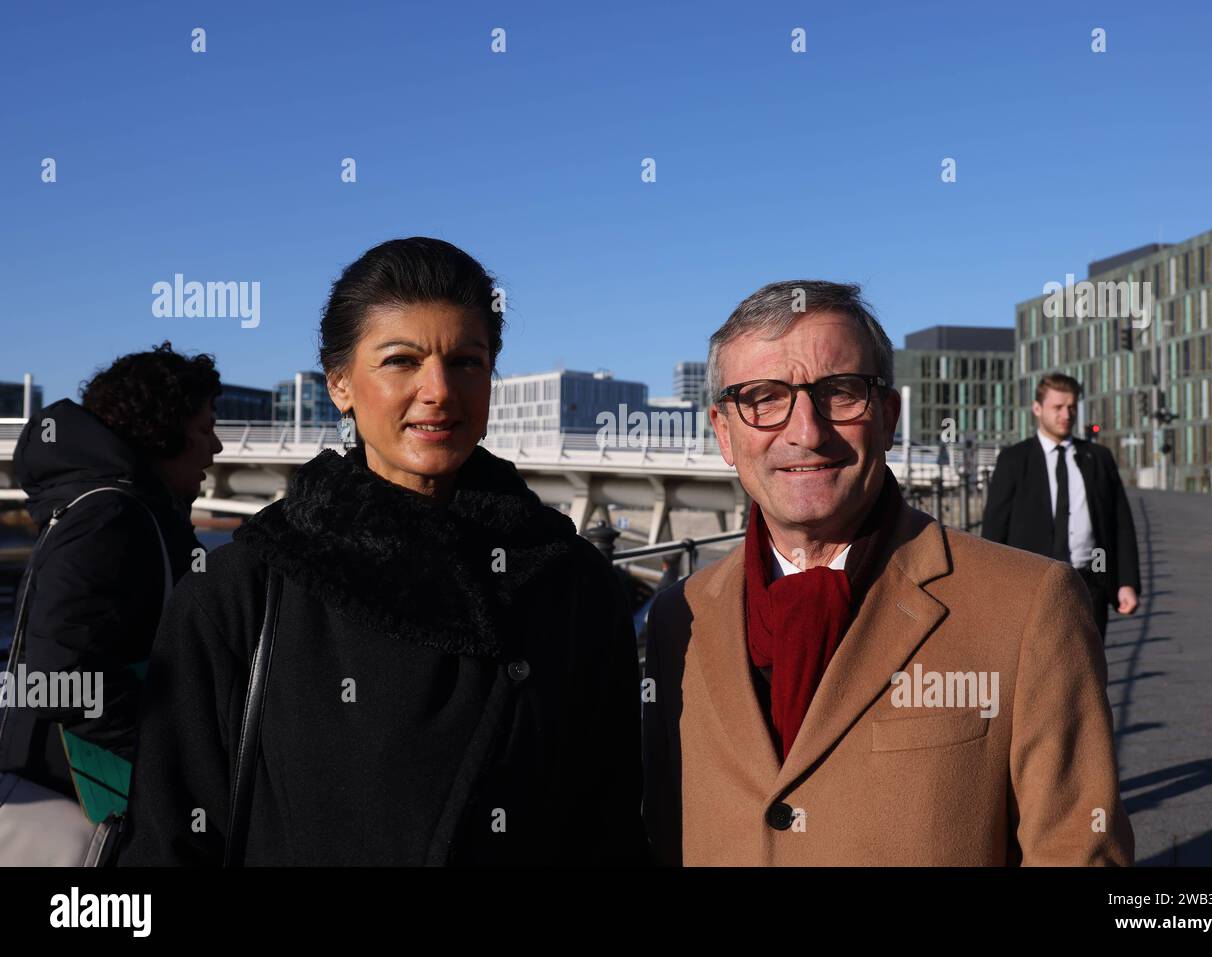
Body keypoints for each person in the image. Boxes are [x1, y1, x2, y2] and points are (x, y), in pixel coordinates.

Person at [118, 238, 647, 865]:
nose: (439, 390)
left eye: (468, 362)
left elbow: (608, 827)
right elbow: (167, 844)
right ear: (340, 385)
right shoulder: (240, 594)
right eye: (401, 360)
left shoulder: (572, 586)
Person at [641, 280, 1133, 866]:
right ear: (724, 432)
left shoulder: (1029, 606)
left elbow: (1077, 848)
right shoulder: (679, 619)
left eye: (841, 392)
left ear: (888, 416)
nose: (807, 431)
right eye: (764, 398)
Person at [1, 343, 220, 807]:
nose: (216, 446)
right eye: (205, 429)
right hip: (80, 799)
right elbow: (60, 678)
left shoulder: (121, 510)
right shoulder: (112, 516)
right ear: (165, 433)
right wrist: (177, 758)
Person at [982, 373, 1140, 641]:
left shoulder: (1098, 458)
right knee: (1037, 672)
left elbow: (1120, 523)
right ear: (1037, 408)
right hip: (1031, 586)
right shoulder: (1014, 460)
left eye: (1071, 407)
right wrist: (991, 591)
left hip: (1090, 584)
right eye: (1057, 407)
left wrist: (1127, 583)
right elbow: (995, 529)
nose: (1066, 415)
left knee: (1088, 673)